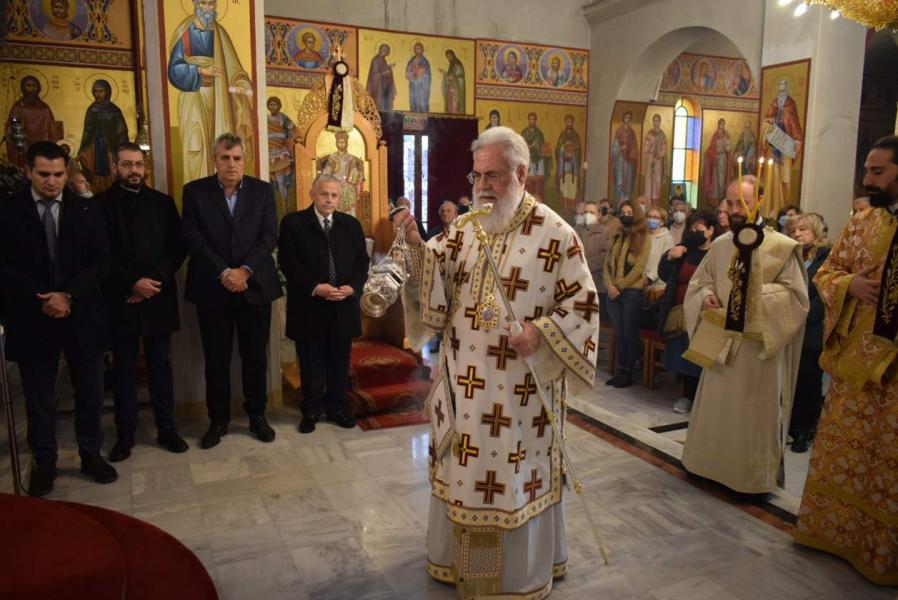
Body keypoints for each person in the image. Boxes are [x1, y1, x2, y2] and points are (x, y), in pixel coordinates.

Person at [394, 125, 598, 598]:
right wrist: (415, 245)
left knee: (512, 479)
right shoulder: (466, 229)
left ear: (521, 174)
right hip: (464, 390)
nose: (482, 186)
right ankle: (459, 565)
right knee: (463, 473)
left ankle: (515, 576)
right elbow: (433, 279)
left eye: (494, 176)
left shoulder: (557, 235)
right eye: (477, 175)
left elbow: (583, 307)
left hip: (518, 397)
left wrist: (540, 333)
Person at [794, 136, 898, 584]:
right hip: (855, 362)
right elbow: (827, 272)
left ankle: (879, 549)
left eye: (878, 172)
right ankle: (834, 533)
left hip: (894, 370)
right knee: (848, 453)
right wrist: (849, 285)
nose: (867, 180)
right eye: (867, 170)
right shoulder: (862, 223)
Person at [0, 141, 116, 496]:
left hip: (81, 314)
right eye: (44, 174)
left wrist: (67, 295)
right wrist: (44, 297)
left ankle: (90, 454)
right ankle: (45, 461)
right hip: (31, 315)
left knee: (90, 391)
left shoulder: (86, 209)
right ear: (28, 172)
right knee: (38, 395)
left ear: (68, 173)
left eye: (58, 174)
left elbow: (101, 260)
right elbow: (4, 265)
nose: (51, 182)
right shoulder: (8, 211)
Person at [681, 176, 808, 493]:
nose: (734, 209)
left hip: (757, 351)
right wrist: (707, 295)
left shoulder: (780, 246)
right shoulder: (721, 244)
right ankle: (707, 466)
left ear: (759, 201)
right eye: (730, 202)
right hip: (721, 345)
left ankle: (749, 478)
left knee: (750, 415)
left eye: (743, 202)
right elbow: (701, 282)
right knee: (717, 408)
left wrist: (752, 299)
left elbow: (795, 298)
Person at [181, 133, 282, 449]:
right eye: (225, 158)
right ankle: (218, 420)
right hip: (212, 288)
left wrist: (244, 270)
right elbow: (193, 238)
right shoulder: (194, 192)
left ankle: (257, 416)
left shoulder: (262, 191)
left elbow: (269, 235)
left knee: (255, 358)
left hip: (255, 286)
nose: (231, 164)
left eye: (237, 158)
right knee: (216, 360)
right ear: (215, 159)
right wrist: (225, 271)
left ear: (244, 160)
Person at [98, 142, 189, 462]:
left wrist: (153, 281)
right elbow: (100, 254)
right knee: (123, 368)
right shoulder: (99, 205)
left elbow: (178, 246)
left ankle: (166, 428)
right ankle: (125, 433)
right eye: (126, 164)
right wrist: (132, 283)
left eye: (138, 164)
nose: (134, 170)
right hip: (121, 298)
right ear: (115, 167)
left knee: (161, 365)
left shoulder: (163, 203)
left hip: (158, 296)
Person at [278, 174, 368, 433]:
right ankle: (311, 410)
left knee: (339, 361)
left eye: (334, 195)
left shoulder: (351, 225)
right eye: (324, 194)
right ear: (312, 194)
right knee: (311, 361)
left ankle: (336, 409)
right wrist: (315, 288)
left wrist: (353, 287)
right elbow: (288, 263)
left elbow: (362, 262)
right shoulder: (293, 223)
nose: (329, 199)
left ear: (340, 198)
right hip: (309, 305)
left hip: (343, 304)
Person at [168, 0, 255, 183]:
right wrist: (199, 70)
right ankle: (197, 191)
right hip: (193, 97)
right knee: (195, 145)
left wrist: (242, 84)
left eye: (211, 3)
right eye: (204, 3)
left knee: (222, 145)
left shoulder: (220, 33)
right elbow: (174, 69)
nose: (208, 8)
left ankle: (220, 190)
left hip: (219, 99)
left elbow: (235, 69)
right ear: (196, 4)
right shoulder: (186, 32)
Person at [656, 210, 719, 413]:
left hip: (705, 314)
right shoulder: (684, 251)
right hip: (680, 312)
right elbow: (665, 275)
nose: (694, 232)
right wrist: (669, 257)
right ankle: (686, 395)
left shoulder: (717, 253)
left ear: (710, 230)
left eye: (698, 228)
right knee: (683, 355)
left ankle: (703, 397)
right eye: (691, 228)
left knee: (701, 356)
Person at [784, 212, 830, 453]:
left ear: (816, 231)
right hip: (787, 327)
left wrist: (797, 316)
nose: (797, 234)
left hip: (811, 330)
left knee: (807, 381)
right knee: (788, 380)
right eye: (794, 230)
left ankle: (805, 429)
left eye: (803, 229)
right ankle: (789, 425)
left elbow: (823, 298)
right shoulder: (790, 255)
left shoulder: (826, 257)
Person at [604, 200, 650, 388]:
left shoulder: (644, 236)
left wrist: (619, 286)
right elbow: (607, 262)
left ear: (636, 214)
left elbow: (639, 268)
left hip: (631, 292)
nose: (625, 215)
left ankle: (629, 372)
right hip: (613, 292)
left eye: (629, 212)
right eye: (623, 212)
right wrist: (609, 285)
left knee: (629, 333)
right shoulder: (617, 234)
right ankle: (620, 370)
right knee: (619, 333)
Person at [77, 79, 129, 195]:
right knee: (95, 173)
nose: (98, 94)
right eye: (96, 91)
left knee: (112, 173)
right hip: (94, 148)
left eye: (101, 91)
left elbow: (122, 132)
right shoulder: (91, 110)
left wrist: (124, 150)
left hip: (111, 148)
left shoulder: (115, 111)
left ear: (107, 92)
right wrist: (82, 149)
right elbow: (87, 131)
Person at [761, 79, 804, 219]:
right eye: (780, 84)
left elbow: (794, 125)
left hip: (785, 146)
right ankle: (768, 209)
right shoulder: (773, 102)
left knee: (783, 179)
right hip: (772, 146)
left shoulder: (791, 104)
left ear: (787, 87)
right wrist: (768, 125)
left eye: (784, 85)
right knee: (771, 177)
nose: (781, 87)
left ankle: (782, 208)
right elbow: (765, 122)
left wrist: (794, 142)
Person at [577, 199, 620, 327]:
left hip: (598, 283)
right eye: (585, 212)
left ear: (599, 215)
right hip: (579, 281)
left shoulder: (606, 232)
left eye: (591, 212)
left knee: (598, 323)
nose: (588, 215)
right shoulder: (575, 230)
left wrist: (584, 266)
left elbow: (604, 257)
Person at [5, 76, 63, 166]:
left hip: (42, 151)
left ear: (39, 88)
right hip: (22, 148)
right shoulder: (18, 107)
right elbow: (11, 131)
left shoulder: (44, 108)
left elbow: (51, 132)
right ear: (22, 88)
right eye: (28, 85)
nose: (31, 89)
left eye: (34, 85)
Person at [266, 97, 299, 220]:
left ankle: (284, 205)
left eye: (275, 105)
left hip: (281, 153)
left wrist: (294, 139)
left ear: (279, 106)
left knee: (281, 181)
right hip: (269, 154)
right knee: (270, 182)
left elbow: (295, 132)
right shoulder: (265, 119)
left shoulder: (284, 118)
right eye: (271, 105)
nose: (273, 107)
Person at [318, 131, 364, 217]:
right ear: (336, 143)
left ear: (346, 143)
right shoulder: (332, 157)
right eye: (339, 142)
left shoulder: (351, 158)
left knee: (349, 202)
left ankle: (349, 222)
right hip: (334, 185)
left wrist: (352, 176)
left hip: (347, 186)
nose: (341, 144)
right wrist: (333, 170)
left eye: (343, 142)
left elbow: (355, 174)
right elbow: (325, 173)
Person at [702, 118, 733, 204]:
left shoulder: (726, 135)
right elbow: (711, 147)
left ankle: (722, 199)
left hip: (722, 159)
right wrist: (708, 153)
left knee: (721, 180)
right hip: (715, 160)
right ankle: (715, 200)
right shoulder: (715, 135)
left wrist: (726, 145)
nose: (722, 126)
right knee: (714, 179)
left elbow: (729, 148)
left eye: (723, 124)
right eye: (721, 124)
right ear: (718, 124)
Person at [644, 206, 675, 287]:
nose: (652, 219)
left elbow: (664, 261)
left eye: (655, 217)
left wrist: (650, 277)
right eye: (649, 216)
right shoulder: (642, 236)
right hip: (640, 279)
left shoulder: (667, 238)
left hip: (658, 282)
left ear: (662, 222)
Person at [611, 111, 638, 202]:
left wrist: (631, 151)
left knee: (628, 182)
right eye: (626, 117)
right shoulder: (619, 131)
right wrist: (621, 148)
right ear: (623, 119)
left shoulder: (632, 132)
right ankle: (619, 201)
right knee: (620, 181)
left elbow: (634, 147)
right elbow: (614, 148)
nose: (627, 119)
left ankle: (626, 201)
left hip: (629, 160)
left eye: (629, 117)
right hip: (620, 159)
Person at [643, 114, 667, 205]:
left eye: (657, 120)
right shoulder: (649, 133)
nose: (656, 122)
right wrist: (650, 145)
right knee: (649, 179)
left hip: (658, 160)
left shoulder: (662, 135)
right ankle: (648, 200)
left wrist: (658, 156)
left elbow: (664, 149)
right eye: (654, 120)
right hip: (650, 158)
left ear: (659, 122)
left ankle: (655, 201)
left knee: (657, 180)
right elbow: (645, 148)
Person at [366, 44, 397, 111]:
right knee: (380, 103)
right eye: (384, 50)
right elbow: (374, 75)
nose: (385, 52)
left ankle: (385, 112)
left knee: (386, 104)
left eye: (386, 50)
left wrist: (389, 67)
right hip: (379, 86)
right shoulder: (375, 60)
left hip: (386, 84)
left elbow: (385, 70)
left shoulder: (383, 60)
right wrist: (383, 73)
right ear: (380, 50)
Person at [406, 42, 431, 112]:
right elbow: (407, 72)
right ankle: (414, 113)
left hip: (422, 85)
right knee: (414, 100)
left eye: (419, 48)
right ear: (414, 50)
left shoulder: (424, 61)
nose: (417, 50)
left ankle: (423, 114)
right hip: (413, 84)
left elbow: (427, 74)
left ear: (422, 50)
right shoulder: (412, 60)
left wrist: (420, 76)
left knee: (422, 101)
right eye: (416, 49)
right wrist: (412, 75)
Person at [441, 49, 465, 114]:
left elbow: (460, 75)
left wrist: (453, 77)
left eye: (450, 56)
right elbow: (449, 76)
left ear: (453, 55)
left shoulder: (457, 64)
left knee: (454, 105)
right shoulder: (451, 65)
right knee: (449, 105)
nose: (449, 58)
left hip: (456, 89)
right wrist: (445, 74)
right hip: (450, 88)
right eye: (447, 57)